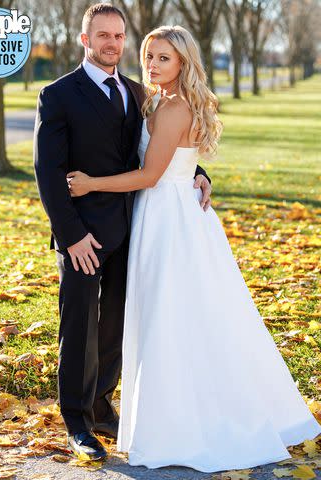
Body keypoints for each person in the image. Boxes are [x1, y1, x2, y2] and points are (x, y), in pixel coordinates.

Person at [67, 25, 321, 472]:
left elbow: (149, 175)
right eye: (149, 55)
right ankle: (160, 418)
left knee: (175, 317)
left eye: (163, 58)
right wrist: (198, 172)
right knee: (164, 316)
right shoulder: (156, 100)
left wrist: (90, 185)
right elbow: (171, 162)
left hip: (170, 220)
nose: (152, 64)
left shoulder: (175, 107)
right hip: (159, 214)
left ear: (183, 62)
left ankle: (186, 426)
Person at [33, 4, 211, 461]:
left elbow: (159, 151)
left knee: (114, 327)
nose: (112, 43)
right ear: (85, 39)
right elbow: (48, 172)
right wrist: (70, 236)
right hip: (82, 237)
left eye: (119, 35)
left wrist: (200, 173)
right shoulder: (58, 95)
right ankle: (76, 421)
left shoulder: (137, 92)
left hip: (132, 230)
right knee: (79, 329)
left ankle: (101, 405)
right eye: (102, 35)